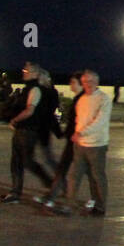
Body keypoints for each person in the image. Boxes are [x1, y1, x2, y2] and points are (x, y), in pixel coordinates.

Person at [0, 62, 59, 203]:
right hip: (22, 130)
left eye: (26, 70)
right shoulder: (27, 89)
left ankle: (50, 182)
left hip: (29, 131)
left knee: (27, 161)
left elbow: (30, 110)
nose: (23, 72)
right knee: (17, 162)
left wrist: (15, 120)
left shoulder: (35, 89)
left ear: (34, 73)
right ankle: (15, 193)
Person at [55, 69, 111, 216]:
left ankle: (100, 207)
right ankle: (68, 206)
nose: (88, 84)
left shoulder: (104, 99)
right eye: (85, 82)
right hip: (80, 145)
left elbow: (100, 121)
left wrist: (80, 132)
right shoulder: (81, 99)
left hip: (97, 145)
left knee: (97, 178)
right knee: (74, 176)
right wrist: (76, 135)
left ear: (97, 82)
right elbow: (78, 120)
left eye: (91, 81)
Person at [38, 72, 84, 212]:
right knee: (62, 170)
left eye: (72, 82)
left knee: (78, 172)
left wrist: (72, 134)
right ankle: (52, 197)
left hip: (79, 141)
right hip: (73, 139)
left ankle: (69, 203)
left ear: (80, 84)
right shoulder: (77, 98)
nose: (70, 84)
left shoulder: (82, 100)